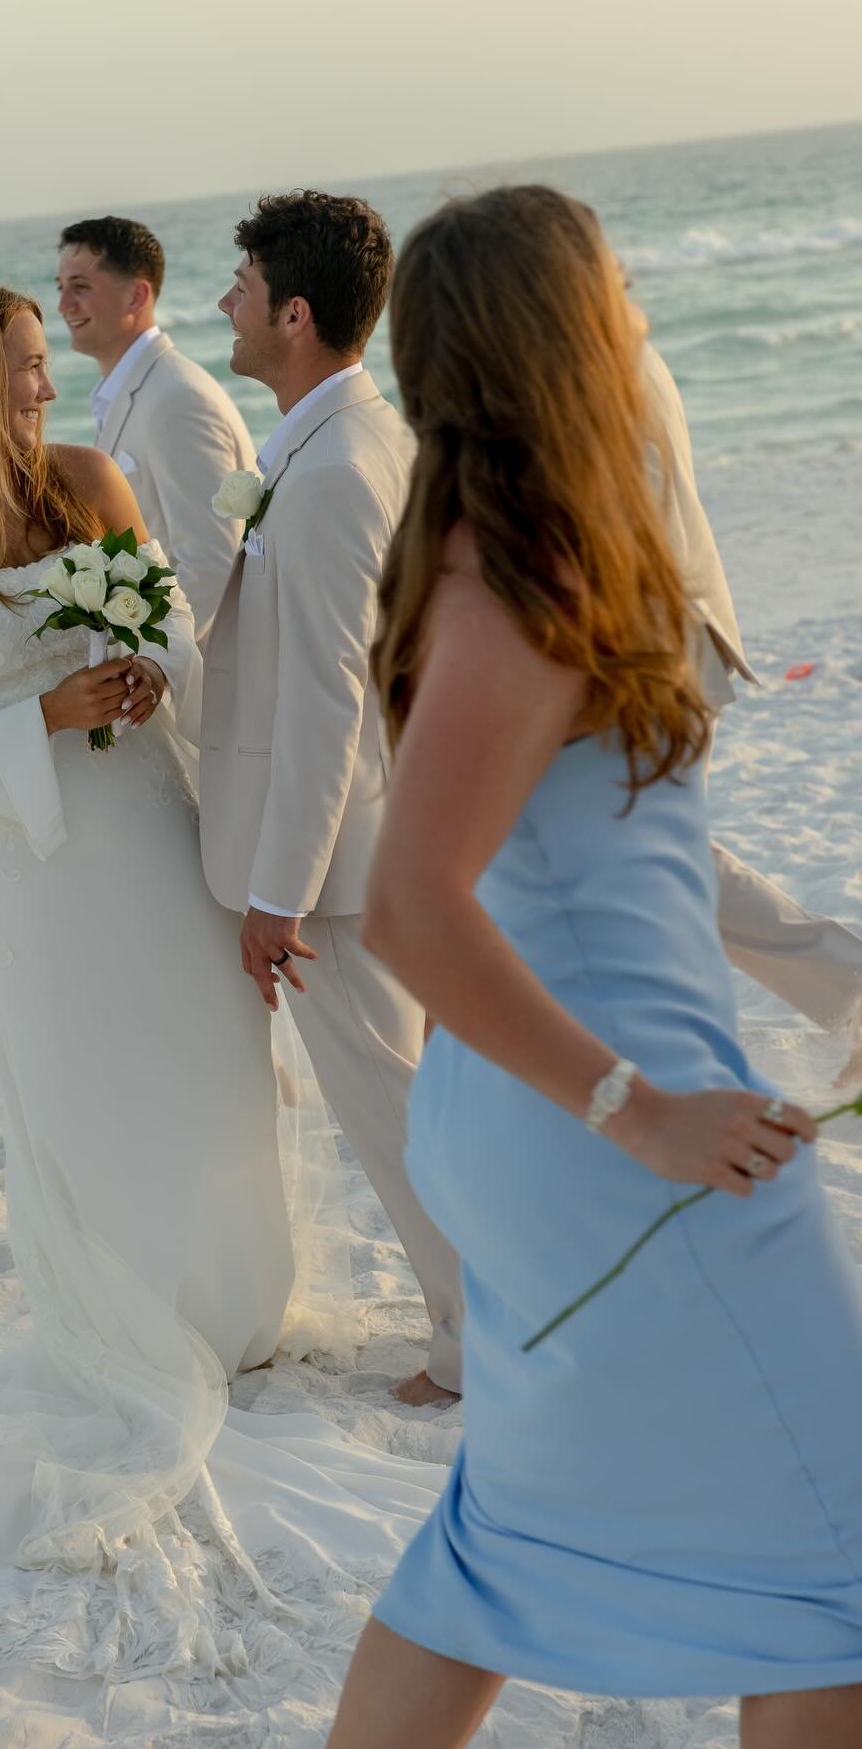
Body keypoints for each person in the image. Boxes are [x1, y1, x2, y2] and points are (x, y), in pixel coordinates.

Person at [0, 281, 444, 1694]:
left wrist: (143, 669)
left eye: (44, 360)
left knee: (213, 1064)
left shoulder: (89, 480)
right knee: (91, 1092)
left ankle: (239, 1312)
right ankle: (153, 1325)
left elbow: (181, 631)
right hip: (34, 866)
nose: (46, 385)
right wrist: (37, 714)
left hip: (145, 819)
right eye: (24, 367)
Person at [328, 186, 862, 1748]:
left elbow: (612, 857)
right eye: (615, 284)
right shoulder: (520, 578)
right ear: (566, 328)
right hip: (613, 1128)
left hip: (543, 1112)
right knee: (838, 1564)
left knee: (503, 1545)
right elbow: (409, 905)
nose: (635, 309)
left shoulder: (513, 557)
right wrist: (639, 1109)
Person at [202, 191, 465, 1405]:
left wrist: (279, 896)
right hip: (375, 838)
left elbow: (326, 707)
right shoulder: (345, 440)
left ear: (295, 315)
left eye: (244, 288)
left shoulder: (332, 474)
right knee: (416, 1107)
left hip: (340, 867)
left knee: (397, 1120)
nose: (227, 305)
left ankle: (476, 1349)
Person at [645, 343, 862, 1087]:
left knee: (657, 862)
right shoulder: (613, 346)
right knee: (659, 864)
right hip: (666, 649)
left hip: (645, 662)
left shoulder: (584, 359)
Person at [57, 216, 252, 642]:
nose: (63, 305)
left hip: (189, 669)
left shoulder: (177, 399)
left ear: (137, 295)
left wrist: (150, 664)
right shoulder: (127, 393)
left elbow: (209, 562)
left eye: (81, 287)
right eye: (61, 287)